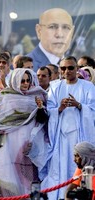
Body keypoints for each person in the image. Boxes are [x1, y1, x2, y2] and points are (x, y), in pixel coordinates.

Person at [0, 68, 48, 197]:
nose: (25, 84)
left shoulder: (38, 94)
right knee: (9, 173)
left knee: (28, 174)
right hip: (9, 142)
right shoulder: (5, 96)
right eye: (22, 81)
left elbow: (44, 119)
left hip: (29, 142)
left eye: (27, 80)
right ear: (15, 81)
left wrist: (40, 107)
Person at [41, 56, 95, 199]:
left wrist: (79, 105)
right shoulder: (55, 86)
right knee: (59, 167)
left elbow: (93, 110)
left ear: (77, 69)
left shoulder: (88, 87)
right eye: (63, 68)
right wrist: (60, 108)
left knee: (75, 166)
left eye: (70, 68)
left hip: (79, 136)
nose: (67, 71)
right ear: (60, 70)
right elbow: (49, 110)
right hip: (60, 136)